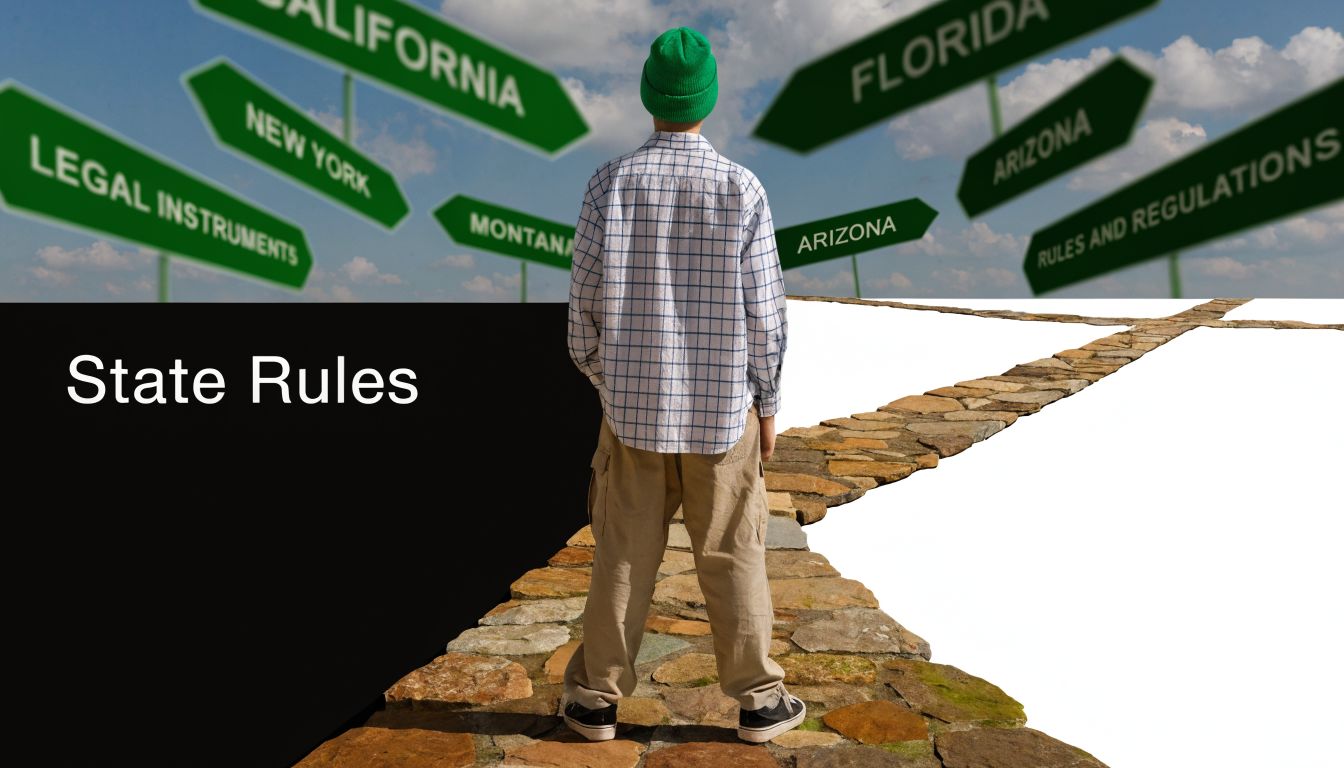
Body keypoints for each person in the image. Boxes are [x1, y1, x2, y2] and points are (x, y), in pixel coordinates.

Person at [562, 26, 802, 745]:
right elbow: (767, 312)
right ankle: (759, 702)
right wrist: (769, 402)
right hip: (723, 414)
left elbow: (584, 311)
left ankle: (596, 704)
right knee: (733, 555)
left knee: (623, 558)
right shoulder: (741, 188)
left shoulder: (609, 183)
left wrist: (610, 384)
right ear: (709, 99)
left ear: (647, 95)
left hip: (631, 416)